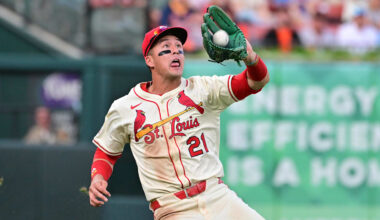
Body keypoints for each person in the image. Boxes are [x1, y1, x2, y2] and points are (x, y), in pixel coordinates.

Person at [88, 23, 269, 219]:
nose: (175, 51)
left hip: (217, 197)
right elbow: (107, 152)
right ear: (149, 60)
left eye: (179, 48)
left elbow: (256, 81)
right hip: (173, 208)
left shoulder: (204, 89)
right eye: (166, 49)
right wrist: (98, 177)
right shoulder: (125, 108)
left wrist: (250, 58)